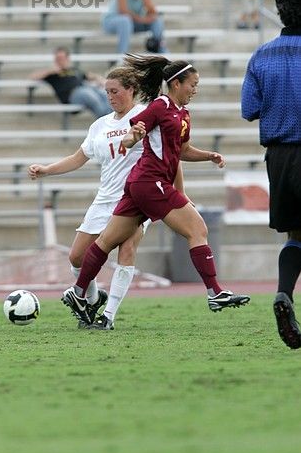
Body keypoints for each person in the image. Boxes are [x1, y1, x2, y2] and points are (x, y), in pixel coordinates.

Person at [62, 54, 251, 328]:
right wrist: (132, 136)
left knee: (104, 242)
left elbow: (182, 151)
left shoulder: (182, 113)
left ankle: (79, 293)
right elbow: (132, 133)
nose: (195, 89)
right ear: (176, 83)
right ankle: (215, 293)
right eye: (192, 84)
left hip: (139, 185)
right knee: (197, 230)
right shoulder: (160, 105)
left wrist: (208, 155)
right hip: (152, 183)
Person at [29, 66, 188, 329]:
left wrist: (178, 194)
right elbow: (77, 158)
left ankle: (109, 316)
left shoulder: (145, 116)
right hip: (105, 199)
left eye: (115, 92)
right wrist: (46, 170)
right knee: (77, 257)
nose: (110, 97)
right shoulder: (99, 126)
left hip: (138, 197)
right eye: (107, 92)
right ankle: (92, 300)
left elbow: (172, 156)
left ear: (131, 90)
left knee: (126, 249)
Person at [241, 0, 301, 350]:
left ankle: (284, 294)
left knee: (295, 234)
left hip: (279, 157)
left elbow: (249, 110)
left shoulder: (261, 56)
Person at [30, 47, 111, 119]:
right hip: (72, 97)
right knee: (87, 93)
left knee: (104, 92)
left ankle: (112, 116)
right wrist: (50, 71)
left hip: (85, 89)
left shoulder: (74, 70)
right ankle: (105, 119)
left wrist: (99, 79)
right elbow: (33, 77)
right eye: (57, 59)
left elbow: (89, 76)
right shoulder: (52, 74)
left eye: (62, 58)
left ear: (67, 58)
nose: (59, 61)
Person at [102, 0, 167, 57]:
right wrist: (143, 19)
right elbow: (123, 11)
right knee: (125, 20)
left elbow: (153, 12)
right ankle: (122, 56)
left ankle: (160, 50)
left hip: (132, 23)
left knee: (156, 21)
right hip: (111, 22)